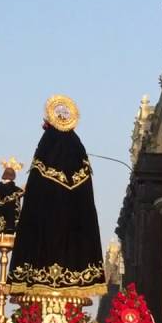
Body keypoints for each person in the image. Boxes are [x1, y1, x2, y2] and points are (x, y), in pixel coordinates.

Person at [7, 96, 106, 293]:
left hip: (44, 239)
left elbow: (34, 201)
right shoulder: (78, 149)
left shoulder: (46, 147)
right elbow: (86, 204)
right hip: (75, 240)